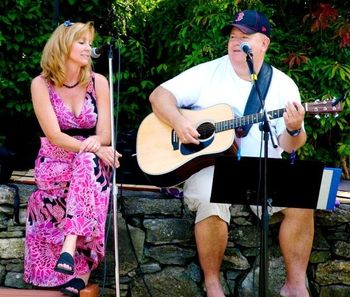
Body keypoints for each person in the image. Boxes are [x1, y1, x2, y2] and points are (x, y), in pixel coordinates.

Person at [149, 9, 313, 297]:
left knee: (303, 197)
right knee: (210, 201)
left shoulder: (284, 85)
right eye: (233, 36)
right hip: (212, 168)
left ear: (264, 44)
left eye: (245, 37)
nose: (236, 42)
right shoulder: (208, 72)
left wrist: (296, 128)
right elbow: (159, 96)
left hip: (261, 169)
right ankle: (212, 284)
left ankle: (294, 286)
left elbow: (289, 146)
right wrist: (178, 121)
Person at [24, 20, 122, 296]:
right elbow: (54, 135)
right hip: (55, 162)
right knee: (88, 160)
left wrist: (97, 146)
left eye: (90, 43)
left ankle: (72, 255)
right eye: (81, 42)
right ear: (63, 44)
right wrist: (94, 148)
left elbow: (105, 134)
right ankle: (65, 267)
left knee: (87, 164)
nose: (88, 48)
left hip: (90, 165)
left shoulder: (98, 82)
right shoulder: (41, 84)